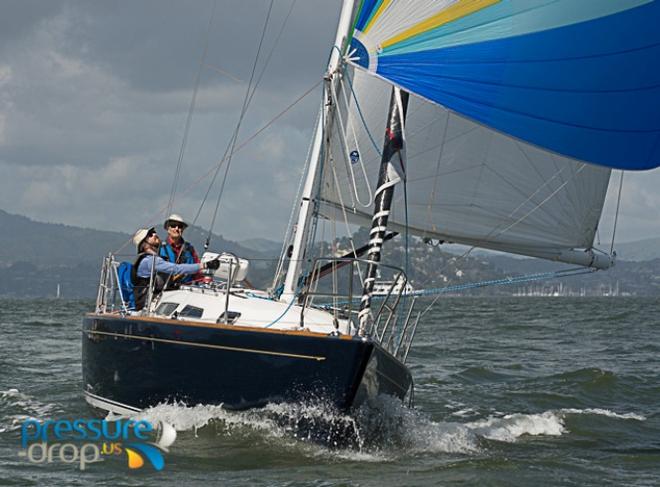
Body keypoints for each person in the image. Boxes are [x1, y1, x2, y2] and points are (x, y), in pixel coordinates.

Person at [131, 227, 219, 310]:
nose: (154, 234)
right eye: (150, 234)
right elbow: (176, 269)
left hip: (157, 299)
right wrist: (204, 265)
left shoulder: (153, 259)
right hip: (148, 304)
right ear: (144, 245)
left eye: (153, 232)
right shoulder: (149, 260)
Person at [159, 213, 201, 284]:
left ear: (183, 230)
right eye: (173, 225)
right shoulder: (160, 248)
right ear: (167, 229)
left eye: (180, 226)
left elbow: (198, 272)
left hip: (187, 290)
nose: (177, 228)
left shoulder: (190, 249)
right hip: (165, 290)